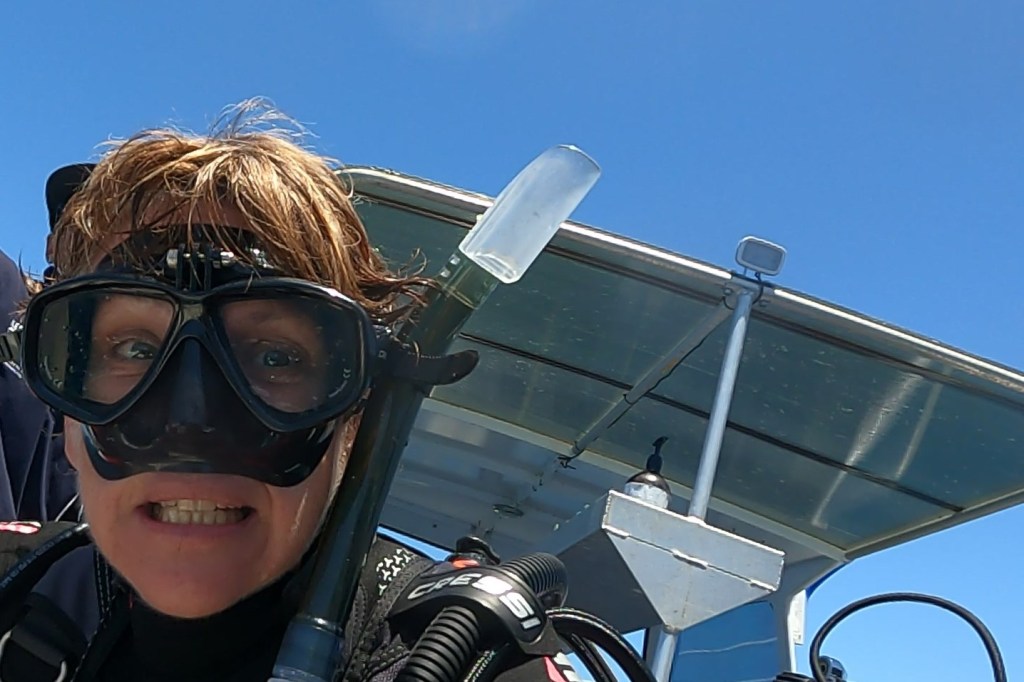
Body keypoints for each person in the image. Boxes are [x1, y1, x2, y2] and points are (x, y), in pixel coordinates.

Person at [0, 102, 570, 682]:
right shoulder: (16, 587)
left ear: (359, 414)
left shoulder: (463, 660)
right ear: (62, 410)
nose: (191, 423)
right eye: (135, 351)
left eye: (276, 358)